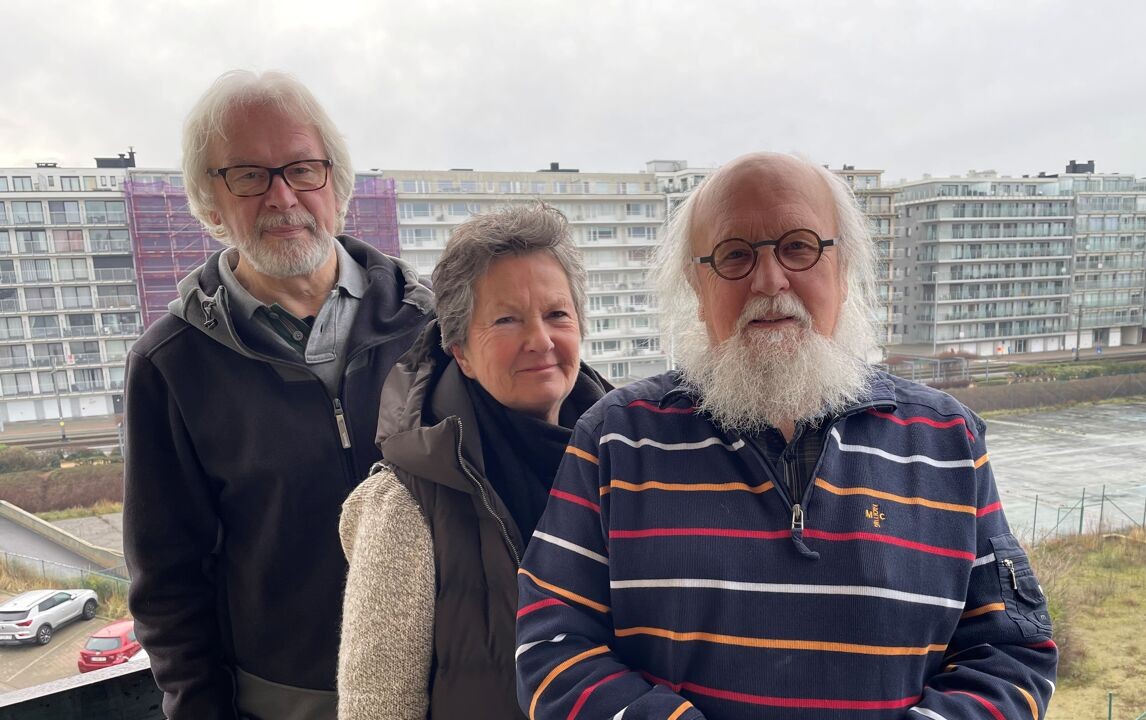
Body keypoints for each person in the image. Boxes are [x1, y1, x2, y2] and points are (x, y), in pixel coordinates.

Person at [516, 153, 1057, 720]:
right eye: (735, 255)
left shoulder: (948, 439)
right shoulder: (613, 439)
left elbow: (1012, 652)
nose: (769, 280)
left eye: (799, 247)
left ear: (842, 272)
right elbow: (550, 650)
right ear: (697, 288)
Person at [122, 70, 433, 719]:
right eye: (248, 175)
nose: (282, 196)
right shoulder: (170, 365)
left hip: (448, 690)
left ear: (336, 184)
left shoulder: (432, 325)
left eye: (302, 169)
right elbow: (168, 584)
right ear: (211, 202)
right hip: (284, 707)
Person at [337, 205, 611, 720]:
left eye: (557, 314)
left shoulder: (628, 465)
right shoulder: (404, 502)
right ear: (459, 350)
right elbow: (377, 708)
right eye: (507, 319)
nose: (541, 340)